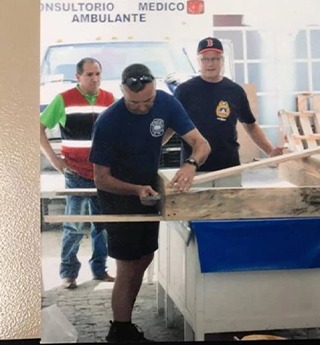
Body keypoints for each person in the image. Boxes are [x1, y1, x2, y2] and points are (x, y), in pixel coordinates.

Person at [89, 63, 211, 342]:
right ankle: (119, 330)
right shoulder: (109, 121)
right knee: (128, 265)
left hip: (147, 190)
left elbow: (201, 143)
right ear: (121, 90)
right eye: (136, 103)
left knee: (145, 256)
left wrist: (191, 164)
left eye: (149, 100)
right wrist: (135, 190)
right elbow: (101, 179)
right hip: (119, 196)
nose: (144, 107)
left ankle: (124, 324)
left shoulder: (166, 102)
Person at [40, 57, 115, 289]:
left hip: (102, 173)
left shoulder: (109, 99)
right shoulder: (63, 99)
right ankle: (68, 273)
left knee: (101, 225)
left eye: (98, 74)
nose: (95, 79)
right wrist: (56, 161)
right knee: (73, 225)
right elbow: (39, 128)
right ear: (78, 76)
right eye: (89, 74)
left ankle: (100, 270)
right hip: (75, 173)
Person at [173, 36, 283, 186]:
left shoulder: (235, 91)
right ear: (198, 61)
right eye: (205, 59)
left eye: (215, 59)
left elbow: (250, 125)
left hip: (228, 168)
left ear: (222, 61)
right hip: (195, 169)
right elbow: (170, 124)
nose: (211, 63)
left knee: (231, 208)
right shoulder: (184, 91)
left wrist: (270, 151)